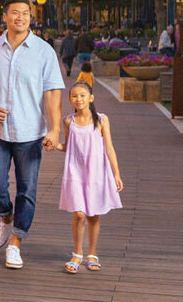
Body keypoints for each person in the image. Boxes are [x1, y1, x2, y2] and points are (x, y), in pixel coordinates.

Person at [0, 0, 64, 269]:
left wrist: (55, 129)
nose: (20, 17)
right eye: (15, 12)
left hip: (30, 133)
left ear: (30, 17)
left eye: (25, 13)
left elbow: (52, 93)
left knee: (27, 190)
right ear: (5, 16)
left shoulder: (44, 51)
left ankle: (16, 243)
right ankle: (5, 217)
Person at [56, 81, 123, 273]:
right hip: (75, 172)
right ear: (70, 99)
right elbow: (68, 146)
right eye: (74, 96)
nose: (79, 99)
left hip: (96, 172)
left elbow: (109, 147)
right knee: (79, 214)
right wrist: (55, 145)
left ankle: (92, 253)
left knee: (93, 215)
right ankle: (77, 253)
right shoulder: (69, 122)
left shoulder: (101, 120)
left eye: (83, 95)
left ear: (91, 98)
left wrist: (116, 173)